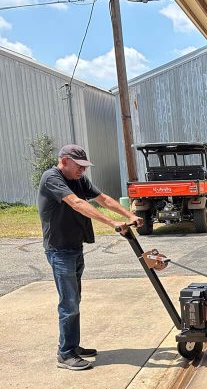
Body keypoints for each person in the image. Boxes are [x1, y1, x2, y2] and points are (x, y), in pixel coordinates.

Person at [38, 144, 142, 371]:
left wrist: (129, 214)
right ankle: (65, 354)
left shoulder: (78, 180)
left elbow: (102, 198)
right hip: (59, 250)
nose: (83, 171)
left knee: (74, 300)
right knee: (69, 302)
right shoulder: (51, 178)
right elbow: (77, 203)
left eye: (85, 167)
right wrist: (113, 223)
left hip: (74, 246)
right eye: (79, 166)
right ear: (64, 161)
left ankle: (72, 346)